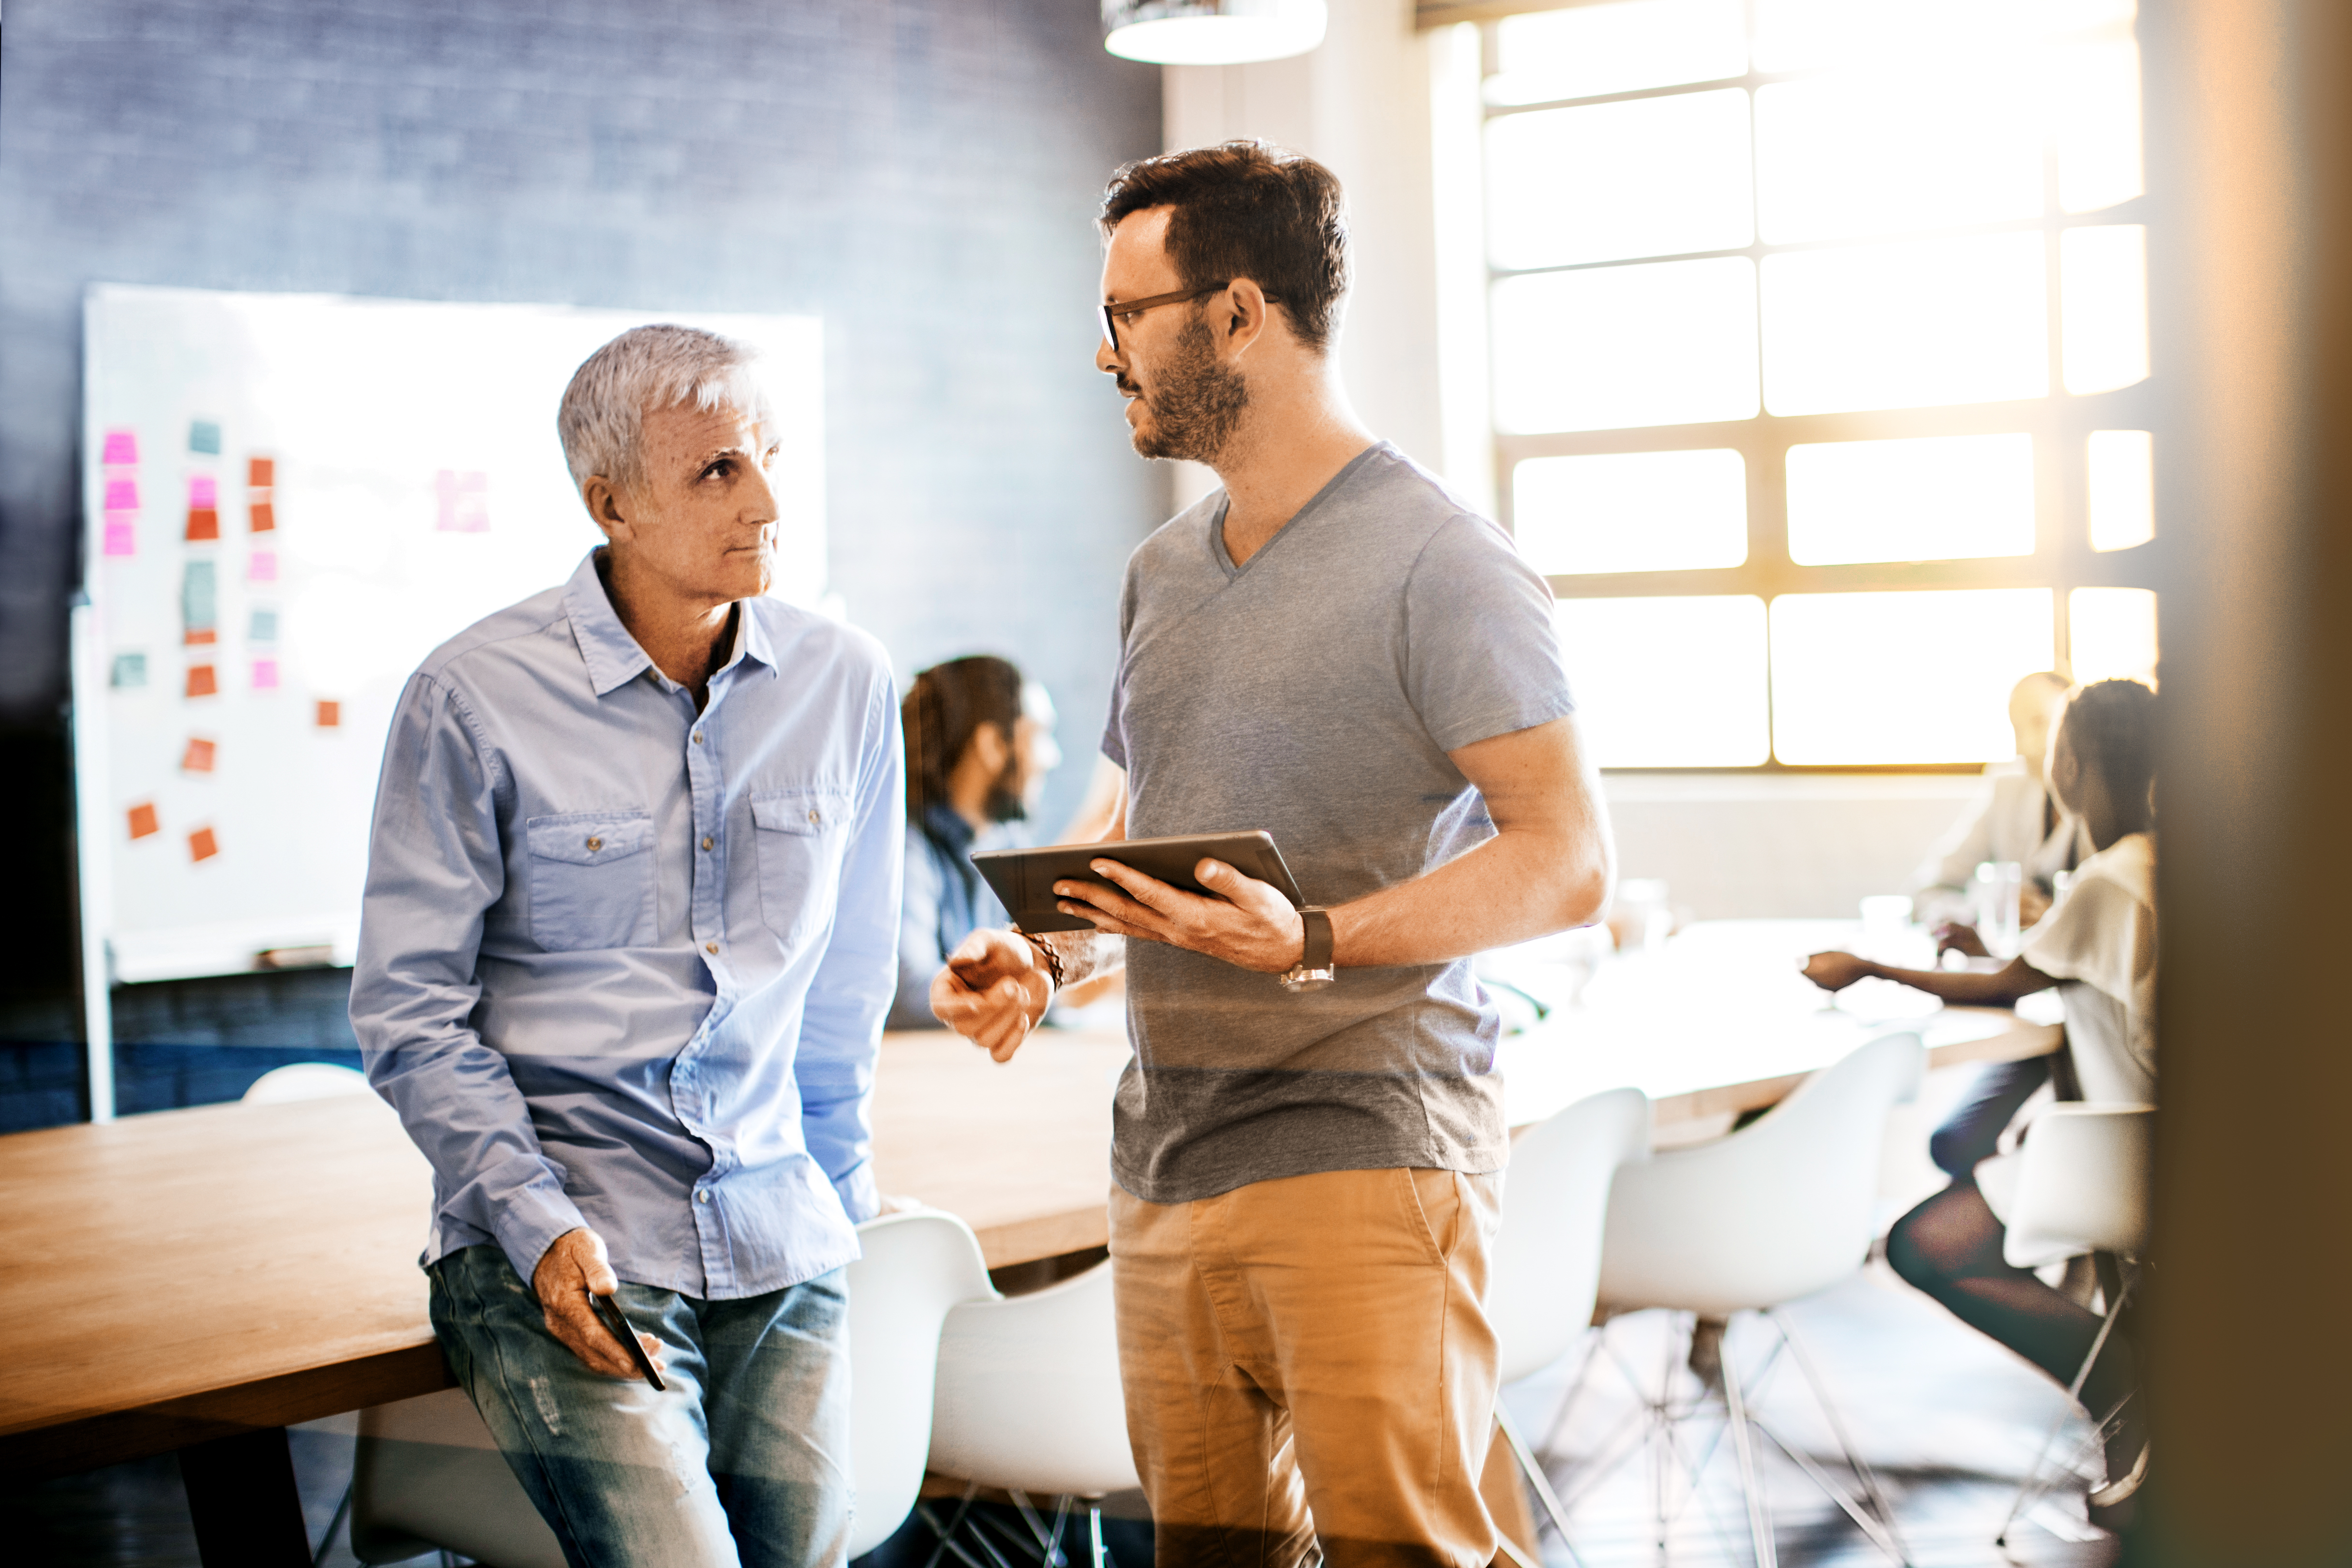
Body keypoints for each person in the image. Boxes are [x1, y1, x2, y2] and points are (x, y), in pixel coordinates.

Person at [930, 141, 1613, 1568]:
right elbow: (1126, 810)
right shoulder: (1160, 572)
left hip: (1367, 1145)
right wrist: (1037, 949)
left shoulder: (1444, 560)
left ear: (1237, 313)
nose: (1101, 348)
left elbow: (1565, 859)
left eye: (1127, 313)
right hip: (1165, 1156)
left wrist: (1316, 938)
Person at [350, 325, 902, 1566]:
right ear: (612, 505)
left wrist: (840, 1201)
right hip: (561, 1236)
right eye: (717, 470)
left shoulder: (846, 682)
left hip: (775, 1231)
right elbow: (408, 1013)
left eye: (768, 455)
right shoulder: (471, 696)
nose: (765, 499)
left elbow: (844, 986)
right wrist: (533, 1222)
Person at [1803, 678, 2157, 1511]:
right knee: (1962, 1157)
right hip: (2148, 1145)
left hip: (2134, 1162)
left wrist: (1863, 965)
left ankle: (2130, 1387)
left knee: (1925, 1245)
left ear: (2066, 766)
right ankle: (2132, 1397)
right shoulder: (2156, 861)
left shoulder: (2113, 874)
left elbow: (2002, 986)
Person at [890, 655, 1063, 1029]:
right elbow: (911, 990)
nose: (1052, 758)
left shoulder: (1007, 843)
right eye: (1040, 735)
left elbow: (1047, 954)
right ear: (992, 745)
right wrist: (1035, 996)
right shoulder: (905, 846)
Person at [1911, 670, 2091, 931]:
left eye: (2041, 722)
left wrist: (2055, 920)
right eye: (2017, 731)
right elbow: (1928, 888)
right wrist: (1994, 910)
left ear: (2078, 722)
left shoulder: (2107, 803)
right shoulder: (2008, 791)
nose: (2026, 747)